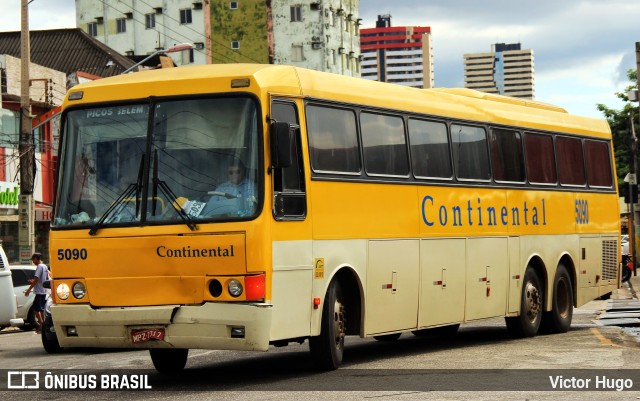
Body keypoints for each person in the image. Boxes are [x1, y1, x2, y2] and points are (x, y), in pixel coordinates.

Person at [24, 253, 49, 334]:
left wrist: (29, 289)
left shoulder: (39, 267)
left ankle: (42, 325)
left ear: (36, 259)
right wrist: (34, 282)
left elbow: (37, 279)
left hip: (39, 291)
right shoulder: (45, 266)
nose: (33, 262)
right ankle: (43, 325)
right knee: (41, 309)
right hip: (44, 291)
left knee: (36, 309)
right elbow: (45, 279)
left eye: (33, 260)